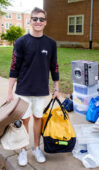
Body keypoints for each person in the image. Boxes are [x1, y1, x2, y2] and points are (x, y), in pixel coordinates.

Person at [7, 7, 59, 166]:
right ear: (30, 21)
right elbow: (14, 67)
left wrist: (56, 87)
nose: (38, 22)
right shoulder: (21, 42)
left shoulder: (51, 43)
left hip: (41, 90)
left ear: (45, 23)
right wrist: (9, 92)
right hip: (23, 89)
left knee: (38, 118)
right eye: (35, 18)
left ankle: (36, 148)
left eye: (41, 19)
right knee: (24, 120)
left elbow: (54, 66)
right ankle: (23, 150)